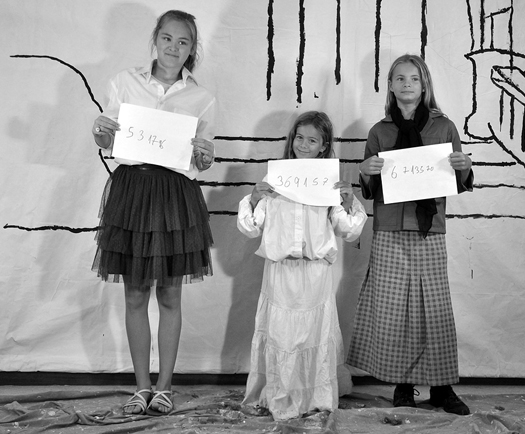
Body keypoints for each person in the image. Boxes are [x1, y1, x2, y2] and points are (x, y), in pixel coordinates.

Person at [90, 10, 216, 416]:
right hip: (133, 190)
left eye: (183, 42)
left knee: (170, 293)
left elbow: (201, 162)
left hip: (175, 194)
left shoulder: (202, 98)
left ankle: (164, 388)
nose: (173, 47)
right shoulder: (124, 82)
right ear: (155, 39)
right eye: (167, 38)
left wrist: (205, 156)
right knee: (134, 292)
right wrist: (100, 131)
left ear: (191, 48)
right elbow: (108, 138)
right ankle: (141, 387)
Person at [346, 54, 474, 416]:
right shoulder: (379, 131)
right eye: (399, 78)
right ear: (390, 85)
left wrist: (464, 167)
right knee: (394, 308)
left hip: (428, 228)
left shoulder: (444, 127)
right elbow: (369, 189)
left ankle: (442, 388)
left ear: (424, 85)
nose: (407, 84)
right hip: (389, 227)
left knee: (435, 307)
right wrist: (365, 170)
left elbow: (458, 181)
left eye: (414, 78)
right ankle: (402, 384)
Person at [237, 111, 368, 420]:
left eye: (312, 140)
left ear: (323, 146)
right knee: (281, 335)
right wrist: (254, 198)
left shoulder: (328, 184)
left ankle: (313, 397)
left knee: (312, 335)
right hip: (281, 272)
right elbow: (250, 228)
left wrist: (348, 202)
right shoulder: (276, 180)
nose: (304, 145)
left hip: (315, 273)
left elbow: (348, 230)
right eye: (299, 138)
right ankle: (279, 394)